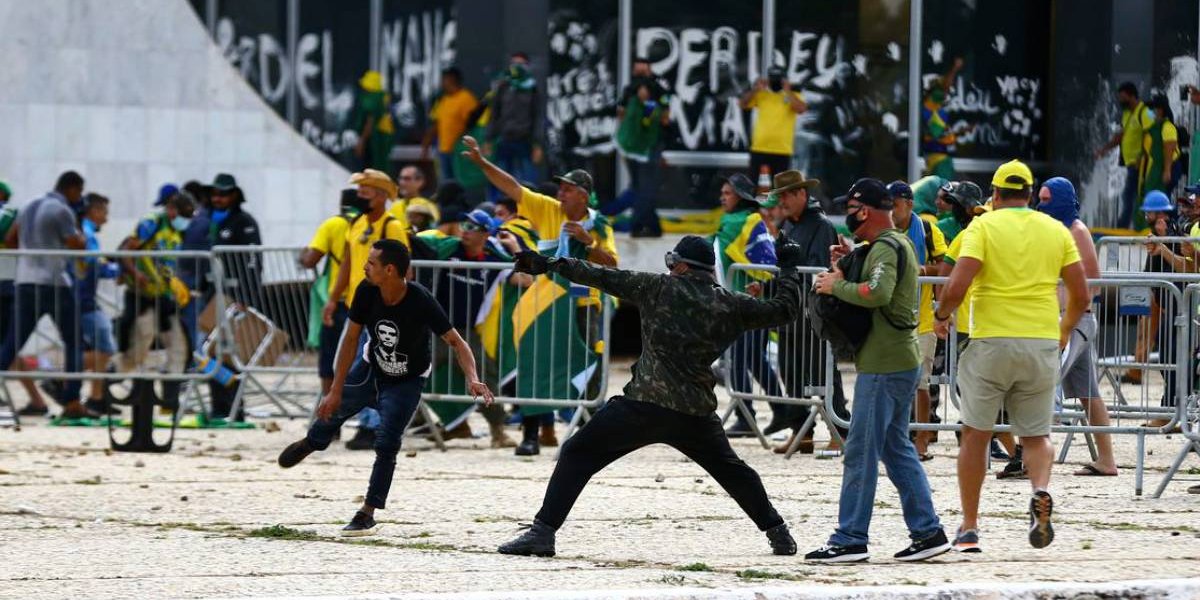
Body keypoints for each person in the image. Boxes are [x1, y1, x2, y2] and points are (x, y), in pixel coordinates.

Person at [497, 235, 808, 557]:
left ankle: (542, 533)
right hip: (695, 413)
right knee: (734, 472)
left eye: (673, 262)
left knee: (577, 453)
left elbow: (600, 275)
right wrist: (787, 267)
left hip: (643, 406)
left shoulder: (658, 287)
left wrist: (548, 264)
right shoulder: (731, 304)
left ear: (683, 266)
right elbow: (785, 310)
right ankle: (778, 533)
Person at [278, 239, 495, 536]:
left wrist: (472, 377)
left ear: (389, 270)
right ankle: (312, 442)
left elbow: (457, 342)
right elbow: (350, 339)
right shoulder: (366, 291)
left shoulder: (420, 300)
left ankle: (367, 512)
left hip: (407, 380)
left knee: (387, 443)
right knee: (331, 412)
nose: (365, 267)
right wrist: (335, 389)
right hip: (370, 369)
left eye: (370, 263)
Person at [934, 160, 1089, 552]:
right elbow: (1082, 294)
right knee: (1036, 436)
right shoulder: (1055, 230)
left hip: (990, 342)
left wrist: (941, 316)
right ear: (1031, 194)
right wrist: (1065, 329)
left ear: (996, 194)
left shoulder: (983, 226)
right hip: (1040, 341)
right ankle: (1040, 489)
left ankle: (969, 528)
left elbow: (956, 284)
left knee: (975, 435)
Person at [804, 178, 948, 563]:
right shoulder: (889, 245)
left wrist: (836, 287)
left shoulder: (886, 246)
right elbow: (876, 282)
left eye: (850, 209)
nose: (846, 215)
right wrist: (848, 263)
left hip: (884, 366)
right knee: (896, 448)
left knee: (860, 450)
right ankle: (928, 531)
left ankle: (849, 537)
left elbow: (878, 293)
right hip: (895, 361)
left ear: (864, 211)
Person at [462, 135, 619, 456]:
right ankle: (532, 434)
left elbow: (613, 265)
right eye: (559, 188)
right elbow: (512, 187)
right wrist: (481, 163)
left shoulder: (600, 225)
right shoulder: (548, 210)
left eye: (567, 189)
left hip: (583, 305)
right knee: (535, 363)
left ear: (583, 195)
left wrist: (589, 242)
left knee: (589, 367)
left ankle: (588, 435)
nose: (559, 193)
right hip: (545, 303)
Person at [755, 170, 847, 454]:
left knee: (823, 373)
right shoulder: (788, 226)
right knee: (791, 373)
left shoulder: (820, 226)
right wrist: (767, 290)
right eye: (779, 196)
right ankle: (802, 433)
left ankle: (840, 430)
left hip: (813, 313)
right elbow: (785, 268)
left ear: (801, 194)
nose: (780, 202)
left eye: (785, 195)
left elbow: (816, 268)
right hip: (791, 313)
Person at [320, 169, 410, 450]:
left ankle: (371, 426)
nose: (359, 196)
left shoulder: (392, 226)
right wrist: (333, 298)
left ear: (381, 195)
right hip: (357, 305)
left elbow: (406, 266)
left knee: (371, 368)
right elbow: (347, 263)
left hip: (382, 306)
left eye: (365, 191)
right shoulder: (356, 222)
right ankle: (354, 422)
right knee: (348, 366)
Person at [1036, 178, 1118, 477]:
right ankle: (1106, 460)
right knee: (1089, 394)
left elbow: (1093, 282)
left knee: (1041, 382)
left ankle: (1030, 454)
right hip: (1069, 319)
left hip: (1075, 321)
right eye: (1039, 198)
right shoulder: (1057, 230)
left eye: (1046, 199)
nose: (1041, 204)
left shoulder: (1077, 231)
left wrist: (1063, 304)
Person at [416, 209, 519, 448]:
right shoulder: (449, 248)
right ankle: (452, 423)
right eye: (463, 224)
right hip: (436, 327)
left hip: (465, 332)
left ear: (486, 233)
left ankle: (498, 430)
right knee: (412, 372)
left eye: (472, 227)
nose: (465, 230)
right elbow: (419, 244)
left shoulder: (495, 259)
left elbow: (525, 279)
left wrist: (514, 247)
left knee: (485, 376)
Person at [0, 171, 91, 419]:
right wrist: (80, 229)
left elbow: (10, 240)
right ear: (72, 189)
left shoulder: (29, 205)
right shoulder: (61, 210)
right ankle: (72, 399)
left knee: (11, 343)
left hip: (25, 281)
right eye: (79, 192)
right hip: (54, 283)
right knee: (73, 341)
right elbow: (76, 243)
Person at [713, 173, 785, 437]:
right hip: (741, 304)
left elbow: (766, 264)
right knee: (753, 359)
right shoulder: (738, 222)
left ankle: (747, 417)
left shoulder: (749, 222)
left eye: (728, 193)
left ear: (740, 197)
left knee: (740, 359)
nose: (722, 197)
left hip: (751, 304)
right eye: (722, 192)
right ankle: (782, 410)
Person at [117, 191, 196, 409]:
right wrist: (135, 274)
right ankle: (107, 384)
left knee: (179, 348)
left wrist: (175, 284)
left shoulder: (177, 233)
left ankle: (169, 403)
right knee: (138, 349)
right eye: (183, 215)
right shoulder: (151, 223)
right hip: (141, 296)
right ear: (171, 210)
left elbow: (167, 262)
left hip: (163, 298)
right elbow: (126, 250)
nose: (185, 221)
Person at [888, 181, 947, 459]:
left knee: (921, 383)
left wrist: (923, 269)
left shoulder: (926, 229)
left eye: (894, 204)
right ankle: (896, 434)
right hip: (890, 317)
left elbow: (945, 267)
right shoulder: (883, 230)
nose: (890, 210)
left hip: (922, 317)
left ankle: (922, 436)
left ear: (909, 203)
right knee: (890, 379)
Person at [301, 189, 365, 397]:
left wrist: (303, 254)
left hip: (338, 301)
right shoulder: (368, 226)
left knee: (330, 358)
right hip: (365, 301)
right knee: (361, 358)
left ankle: (329, 413)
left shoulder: (332, 225)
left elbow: (310, 260)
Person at [0, 181, 53, 415]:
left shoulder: (9, 214)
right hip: (11, 284)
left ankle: (37, 401)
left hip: (6, 285)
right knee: (8, 348)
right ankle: (37, 401)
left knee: (7, 348)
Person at [1139, 191, 1189, 427]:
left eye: (1149, 211)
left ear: (1160, 213)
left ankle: (1172, 411)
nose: (1147, 216)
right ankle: (1173, 409)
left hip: (1183, 309)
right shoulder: (1158, 237)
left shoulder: (1177, 235)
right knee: (1168, 360)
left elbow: (1186, 269)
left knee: (1174, 360)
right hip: (1170, 309)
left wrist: (1164, 246)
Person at [74, 194, 120, 414]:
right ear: (93, 211)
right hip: (84, 300)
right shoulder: (87, 232)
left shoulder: (85, 230)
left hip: (83, 298)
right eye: (104, 212)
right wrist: (122, 270)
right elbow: (95, 265)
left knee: (99, 348)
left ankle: (97, 396)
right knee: (105, 348)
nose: (106, 218)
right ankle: (62, 375)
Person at [614, 57, 671, 238]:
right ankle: (652, 226)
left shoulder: (659, 88)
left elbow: (665, 116)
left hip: (651, 146)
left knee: (646, 187)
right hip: (633, 146)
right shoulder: (629, 91)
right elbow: (621, 113)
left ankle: (638, 224)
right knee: (641, 186)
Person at [1095, 82, 1154, 230]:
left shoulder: (1145, 112)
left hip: (1143, 165)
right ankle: (1128, 226)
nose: (1120, 101)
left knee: (1131, 195)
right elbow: (1121, 136)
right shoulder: (1128, 114)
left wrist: (1142, 156)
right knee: (1130, 196)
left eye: (1123, 97)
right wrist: (1104, 149)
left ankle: (1127, 226)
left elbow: (1152, 135)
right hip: (1131, 164)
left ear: (1132, 96)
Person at [485, 52, 542, 197]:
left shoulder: (532, 88)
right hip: (504, 140)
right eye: (513, 64)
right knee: (499, 179)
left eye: (520, 64)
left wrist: (537, 144)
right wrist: (489, 140)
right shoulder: (503, 86)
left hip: (525, 141)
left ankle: (529, 211)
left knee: (528, 182)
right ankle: (499, 211)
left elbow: (538, 117)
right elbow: (495, 114)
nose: (516, 67)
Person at [740, 66, 808, 179]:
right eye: (773, 79)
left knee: (779, 189)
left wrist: (787, 90)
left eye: (778, 79)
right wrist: (755, 89)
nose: (775, 82)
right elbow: (743, 104)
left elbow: (801, 109)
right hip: (759, 147)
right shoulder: (761, 94)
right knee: (750, 185)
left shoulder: (793, 95)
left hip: (782, 149)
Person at [422, 68, 479, 181]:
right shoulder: (444, 99)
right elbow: (437, 123)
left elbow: (473, 125)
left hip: (459, 151)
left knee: (459, 182)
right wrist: (426, 143)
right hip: (443, 149)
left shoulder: (466, 98)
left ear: (452, 79)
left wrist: (465, 144)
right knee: (445, 182)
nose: (442, 83)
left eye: (444, 80)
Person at [921, 58, 965, 179]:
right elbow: (945, 85)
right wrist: (955, 68)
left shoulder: (939, 110)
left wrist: (961, 132)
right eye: (940, 90)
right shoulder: (929, 107)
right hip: (937, 159)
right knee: (943, 192)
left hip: (939, 157)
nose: (945, 92)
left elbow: (942, 135)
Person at [1140, 95, 1182, 204]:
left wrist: (1167, 170)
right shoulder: (1155, 127)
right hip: (1161, 167)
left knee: (1162, 199)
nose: (1150, 112)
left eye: (1152, 109)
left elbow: (1170, 148)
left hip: (1170, 166)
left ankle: (1171, 219)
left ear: (1160, 110)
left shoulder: (1167, 126)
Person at [352, 70, 395, 173]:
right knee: (382, 168)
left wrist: (362, 141)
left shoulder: (373, 99)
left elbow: (370, 121)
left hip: (375, 139)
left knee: (372, 170)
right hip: (385, 136)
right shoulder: (383, 97)